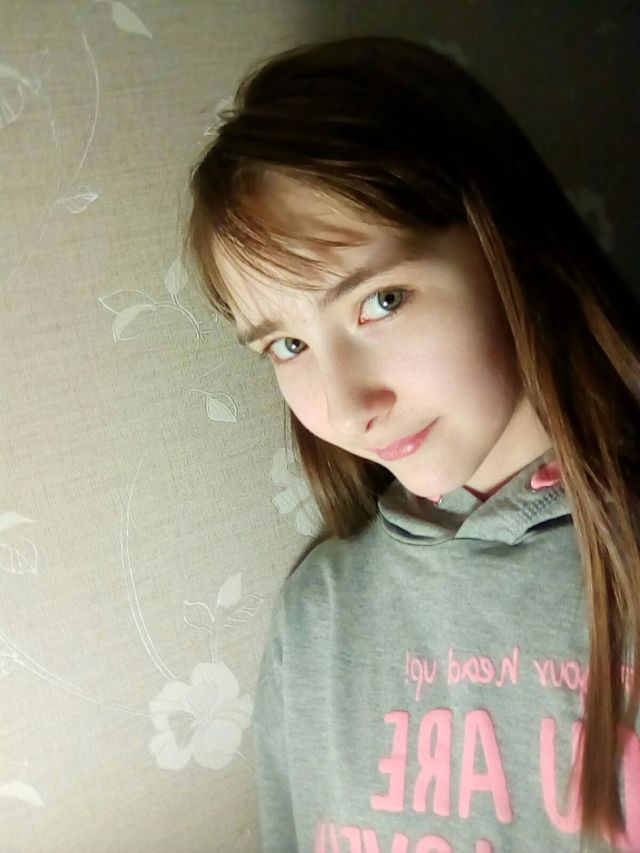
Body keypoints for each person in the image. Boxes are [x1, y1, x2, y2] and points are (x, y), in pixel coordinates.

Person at [183, 36, 640, 852]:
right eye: (287, 345)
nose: (347, 406)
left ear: (506, 243)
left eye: (382, 300)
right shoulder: (318, 613)